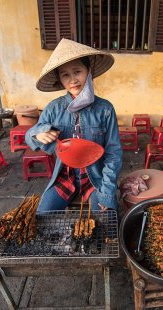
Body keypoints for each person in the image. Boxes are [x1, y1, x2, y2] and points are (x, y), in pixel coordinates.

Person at [25, 38, 122, 213]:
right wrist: (38, 133)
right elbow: (30, 134)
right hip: (64, 178)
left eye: (77, 71)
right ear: (60, 79)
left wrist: (107, 193)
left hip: (95, 178)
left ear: (88, 71)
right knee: (42, 215)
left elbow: (114, 154)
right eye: (65, 75)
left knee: (107, 220)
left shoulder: (105, 109)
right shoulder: (53, 108)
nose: (72, 80)